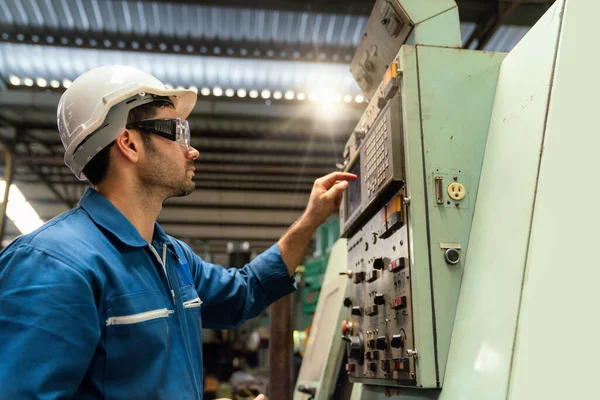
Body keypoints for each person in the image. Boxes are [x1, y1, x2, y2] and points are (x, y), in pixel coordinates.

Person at [0, 65, 356, 399]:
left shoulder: (170, 256)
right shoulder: (53, 264)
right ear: (129, 143)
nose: (193, 151)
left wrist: (311, 220)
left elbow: (244, 291)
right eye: (178, 132)